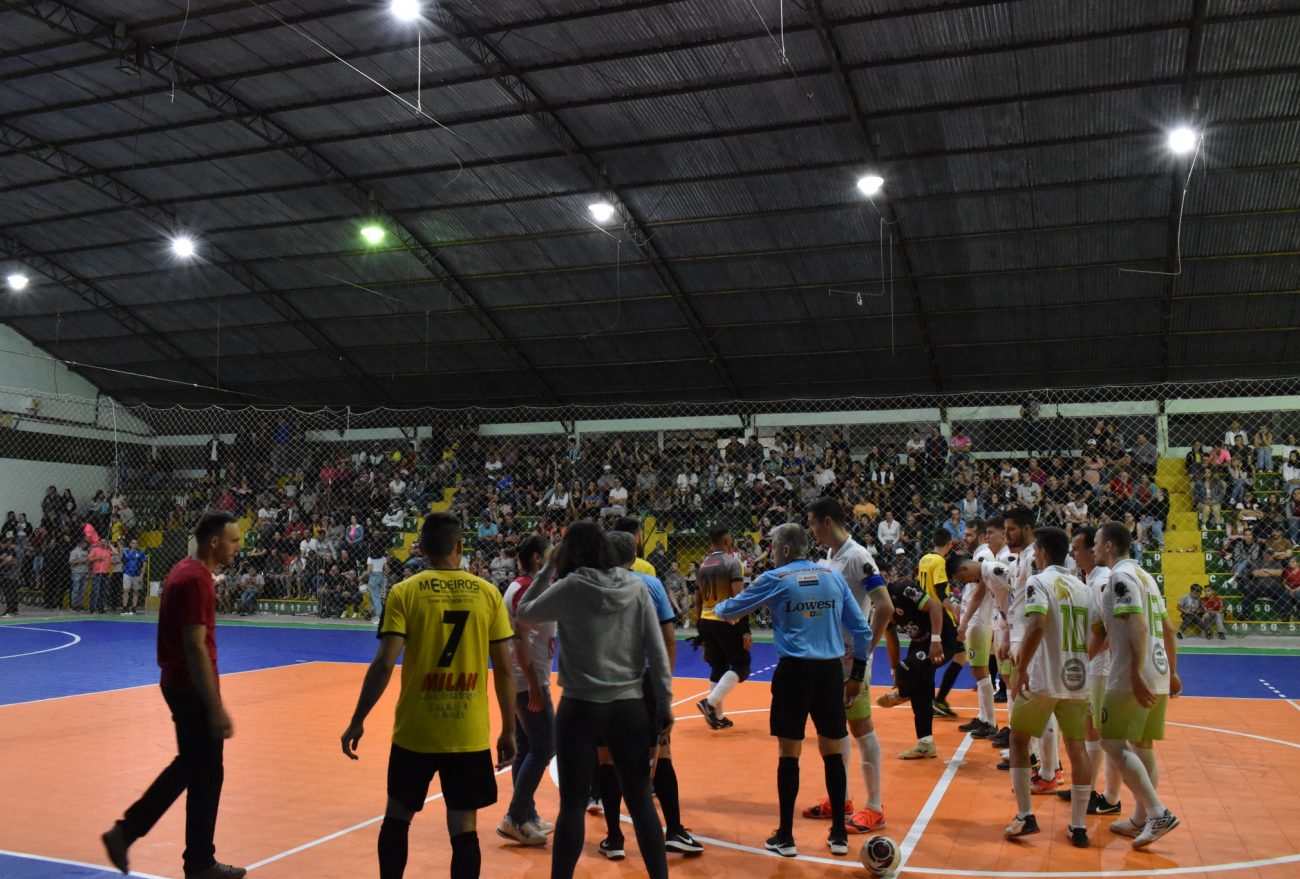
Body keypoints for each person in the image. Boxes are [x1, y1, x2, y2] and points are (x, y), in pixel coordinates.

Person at [340, 512, 517, 879]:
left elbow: (384, 663)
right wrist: (509, 730)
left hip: (416, 732)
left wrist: (358, 719)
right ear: (460, 546)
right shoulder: (487, 593)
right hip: (467, 734)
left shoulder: (404, 592)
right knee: (464, 827)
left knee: (397, 817)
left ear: (420, 549)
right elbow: (503, 668)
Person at [515, 521, 673, 879]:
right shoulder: (635, 586)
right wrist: (663, 703)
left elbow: (523, 614)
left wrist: (548, 570)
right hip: (628, 706)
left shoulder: (571, 586)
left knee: (571, 807)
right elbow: (657, 651)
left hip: (580, 707)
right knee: (641, 802)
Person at [712, 523, 871, 859]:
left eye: (772, 547)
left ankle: (785, 836)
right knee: (832, 751)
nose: (770, 552)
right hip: (829, 673)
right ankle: (840, 834)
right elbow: (861, 629)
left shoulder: (776, 579)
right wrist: (856, 672)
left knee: (789, 753)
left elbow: (728, 611)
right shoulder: (831, 576)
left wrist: (718, 599)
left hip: (794, 672)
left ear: (784, 550)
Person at [101, 511, 245, 879]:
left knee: (199, 770)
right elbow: (195, 647)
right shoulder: (196, 580)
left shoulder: (184, 570)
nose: (238, 546)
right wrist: (215, 707)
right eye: (233, 540)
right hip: (191, 687)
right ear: (214, 542)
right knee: (200, 768)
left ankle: (193, 858)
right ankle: (133, 835)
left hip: (178, 684)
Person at [804, 497, 894, 834]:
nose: (810, 530)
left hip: (849, 661)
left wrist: (864, 652)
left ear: (827, 522)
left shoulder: (857, 556)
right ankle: (839, 798)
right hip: (830, 659)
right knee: (833, 728)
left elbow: (884, 606)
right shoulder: (830, 556)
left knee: (861, 727)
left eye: (812, 523)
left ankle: (875, 807)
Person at [1091, 521, 1182, 850]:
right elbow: (1168, 629)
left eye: (1097, 543)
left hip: (1134, 673)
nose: (1095, 548)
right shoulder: (1147, 578)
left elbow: (1139, 624)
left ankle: (1158, 813)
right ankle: (1142, 819)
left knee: (1111, 743)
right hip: (1157, 671)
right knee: (1142, 747)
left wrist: (1134, 673)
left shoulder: (1120, 577)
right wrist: (1171, 672)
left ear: (1110, 547)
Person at [1003, 527, 1094, 847]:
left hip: (1043, 677)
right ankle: (1079, 826)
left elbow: (1037, 625)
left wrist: (1021, 669)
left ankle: (1025, 815)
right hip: (1077, 677)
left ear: (1041, 553)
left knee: (1017, 738)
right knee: (1077, 746)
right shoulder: (1083, 587)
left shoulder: (1038, 582)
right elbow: (1097, 632)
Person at [1055, 527, 1123, 816]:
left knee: (1102, 734)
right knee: (1093, 731)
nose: (1073, 553)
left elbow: (1108, 634)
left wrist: (1083, 660)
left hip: (1101, 667)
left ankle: (1108, 797)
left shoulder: (1101, 582)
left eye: (1078, 548)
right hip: (1098, 665)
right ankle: (1091, 789)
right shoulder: (1091, 580)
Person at [498, 536, 555, 846]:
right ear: (537, 559)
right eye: (550, 555)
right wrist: (534, 684)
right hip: (527, 679)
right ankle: (515, 816)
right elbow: (520, 639)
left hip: (525, 677)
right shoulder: (523, 589)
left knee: (527, 745)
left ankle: (527, 815)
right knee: (546, 746)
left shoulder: (525, 586)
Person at [950, 545, 1015, 739]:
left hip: (1011, 627)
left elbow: (1019, 593)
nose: (966, 583)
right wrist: (963, 623)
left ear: (965, 569)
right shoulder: (986, 573)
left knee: (1013, 680)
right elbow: (978, 594)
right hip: (1004, 625)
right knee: (1007, 677)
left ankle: (1014, 731)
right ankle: (1005, 727)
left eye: (963, 579)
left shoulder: (995, 570)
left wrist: (1012, 629)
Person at [694, 523, 751, 730]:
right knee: (741, 665)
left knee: (718, 666)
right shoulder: (732, 563)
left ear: (710, 542)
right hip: (726, 620)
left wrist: (700, 630)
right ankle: (709, 703)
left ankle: (717, 716)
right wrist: (745, 629)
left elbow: (698, 599)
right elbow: (740, 598)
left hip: (707, 620)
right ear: (727, 541)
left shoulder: (703, 565)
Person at [919, 529, 966, 720]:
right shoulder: (939, 561)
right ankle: (934, 700)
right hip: (940, 616)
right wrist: (953, 610)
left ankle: (936, 700)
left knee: (958, 654)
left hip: (925, 612)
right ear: (949, 544)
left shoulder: (924, 559)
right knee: (945, 657)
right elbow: (940, 591)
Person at [121, 539, 147, 616]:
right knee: (126, 590)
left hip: (137, 574)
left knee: (136, 591)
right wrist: (124, 569)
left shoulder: (141, 552)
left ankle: (134, 608)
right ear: (130, 544)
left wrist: (142, 575)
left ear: (137, 544)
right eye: (132, 543)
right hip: (127, 573)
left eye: (135, 543)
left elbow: (144, 563)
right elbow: (122, 560)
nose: (133, 544)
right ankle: (124, 607)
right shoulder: (126, 552)